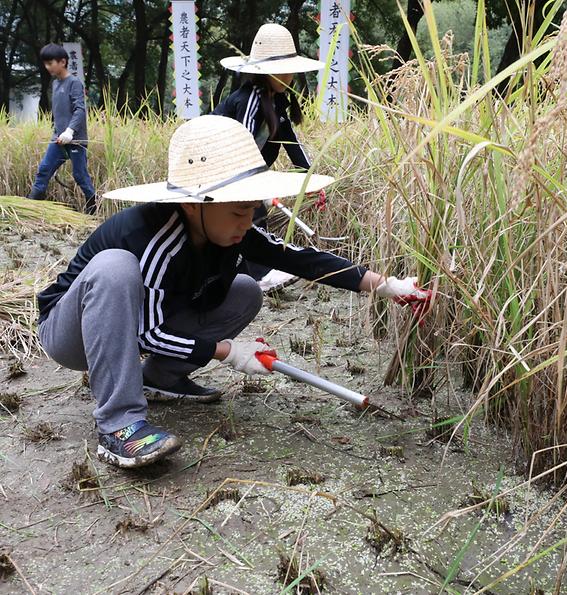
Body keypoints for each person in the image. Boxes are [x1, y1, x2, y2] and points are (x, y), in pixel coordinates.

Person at [36, 115, 432, 469]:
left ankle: (159, 378)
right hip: (74, 333)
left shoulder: (231, 226)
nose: (248, 221)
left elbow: (300, 258)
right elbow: (148, 333)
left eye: (252, 210)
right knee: (115, 267)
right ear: (195, 206)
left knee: (244, 290)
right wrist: (227, 352)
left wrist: (384, 285)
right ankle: (119, 424)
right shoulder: (154, 237)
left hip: (143, 320)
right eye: (239, 211)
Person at [215, 23, 326, 291]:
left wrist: (311, 183)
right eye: (284, 69)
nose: (290, 75)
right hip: (220, 167)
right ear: (268, 72)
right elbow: (239, 144)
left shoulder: (278, 102)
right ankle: (260, 275)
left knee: (247, 218)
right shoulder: (247, 100)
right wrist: (255, 186)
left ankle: (244, 274)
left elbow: (292, 144)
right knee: (249, 213)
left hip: (248, 173)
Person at [27, 43, 97, 215]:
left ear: (63, 62)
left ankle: (93, 206)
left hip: (75, 140)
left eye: (50, 63)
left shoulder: (74, 83)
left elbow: (80, 109)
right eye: (46, 63)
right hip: (58, 138)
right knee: (44, 170)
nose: (47, 67)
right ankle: (29, 208)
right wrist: (59, 132)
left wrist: (70, 131)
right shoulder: (55, 84)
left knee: (80, 176)